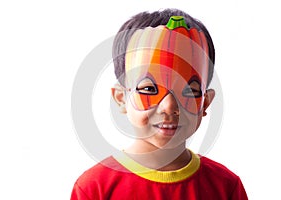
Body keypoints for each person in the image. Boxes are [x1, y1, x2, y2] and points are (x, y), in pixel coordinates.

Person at [71, 9, 248, 200]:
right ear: (121, 98)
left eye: (189, 91)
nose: (169, 106)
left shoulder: (226, 187)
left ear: (205, 103)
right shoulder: (94, 189)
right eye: (149, 89)